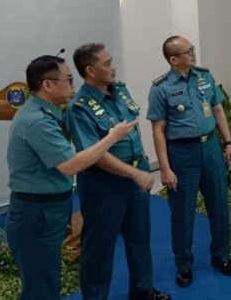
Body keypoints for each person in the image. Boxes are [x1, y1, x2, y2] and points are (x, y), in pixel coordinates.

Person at [6, 54, 135, 300]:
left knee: (46, 279)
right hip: (36, 214)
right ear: (47, 85)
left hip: (48, 209)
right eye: (68, 79)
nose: (73, 84)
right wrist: (112, 136)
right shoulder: (37, 122)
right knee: (41, 287)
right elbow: (71, 165)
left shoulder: (46, 112)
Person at [64, 43, 170, 300]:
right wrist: (134, 174)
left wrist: (142, 158)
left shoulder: (120, 89)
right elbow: (95, 156)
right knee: (99, 247)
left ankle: (142, 290)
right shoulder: (79, 108)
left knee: (139, 238)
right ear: (90, 70)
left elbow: (132, 126)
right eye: (107, 63)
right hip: (104, 186)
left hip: (135, 177)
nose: (113, 67)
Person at [147, 36, 231, 288]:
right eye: (188, 51)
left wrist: (228, 142)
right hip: (181, 154)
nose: (194, 54)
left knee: (219, 206)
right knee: (183, 213)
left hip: (209, 148)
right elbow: (157, 130)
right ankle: (184, 265)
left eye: (192, 50)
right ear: (173, 59)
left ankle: (221, 257)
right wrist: (164, 168)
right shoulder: (161, 88)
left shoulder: (204, 77)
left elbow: (217, 109)